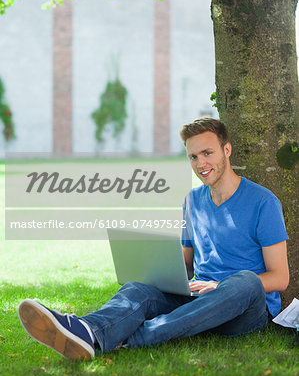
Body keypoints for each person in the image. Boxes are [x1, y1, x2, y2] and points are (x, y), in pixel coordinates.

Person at [18, 118, 289, 360]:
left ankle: (133, 338)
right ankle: (87, 331)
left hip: (243, 309)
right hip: (198, 299)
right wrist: (157, 270)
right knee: (138, 289)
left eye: (208, 153)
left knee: (246, 282)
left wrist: (220, 285)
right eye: (193, 157)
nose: (201, 164)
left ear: (226, 150)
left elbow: (280, 277)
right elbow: (187, 263)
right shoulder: (192, 201)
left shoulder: (263, 202)